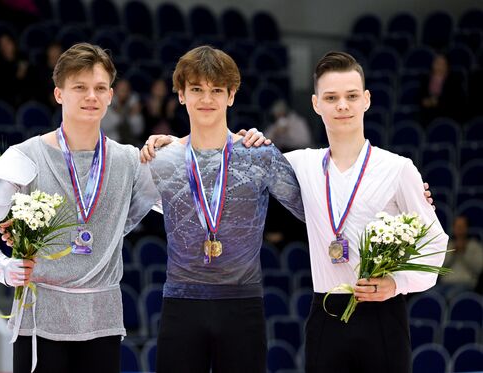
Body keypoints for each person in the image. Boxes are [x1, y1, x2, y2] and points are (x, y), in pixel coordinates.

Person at [143, 51, 447, 373]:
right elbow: (218, 174)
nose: (342, 105)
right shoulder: (298, 163)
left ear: (367, 100)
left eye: (351, 96)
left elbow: (436, 245)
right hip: (325, 313)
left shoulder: (399, 169)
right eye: (332, 97)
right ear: (316, 104)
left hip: (384, 311)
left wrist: (396, 283)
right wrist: (176, 148)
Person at [0, 42, 159, 373]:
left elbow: (183, 203)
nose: (91, 96)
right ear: (59, 94)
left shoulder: (129, 160)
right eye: (79, 87)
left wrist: (176, 151)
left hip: (102, 320)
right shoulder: (24, 156)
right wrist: (2, 267)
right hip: (40, 320)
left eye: (99, 88)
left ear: (111, 96)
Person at [145, 45, 305, 373]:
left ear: (231, 96)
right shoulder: (160, 160)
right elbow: (115, 207)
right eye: (197, 89)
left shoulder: (258, 154)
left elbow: (314, 209)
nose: (207, 98)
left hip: (242, 304)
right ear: (181, 95)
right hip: (181, 303)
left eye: (217, 89)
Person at [440, 215, 483, 298]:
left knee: (451, 295)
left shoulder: (474, 246)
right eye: (457, 226)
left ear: (467, 228)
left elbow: (479, 269)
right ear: (454, 228)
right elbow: (440, 268)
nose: (459, 229)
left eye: (462, 226)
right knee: (430, 295)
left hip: (465, 283)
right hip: (445, 283)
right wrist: (452, 253)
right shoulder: (448, 246)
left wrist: (465, 253)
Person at [101, 78, 145, 146]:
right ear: (115, 91)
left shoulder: (133, 104)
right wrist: (117, 114)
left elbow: (138, 131)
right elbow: (106, 128)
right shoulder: (107, 104)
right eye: (121, 90)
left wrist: (134, 115)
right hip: (111, 142)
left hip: (131, 143)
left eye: (125, 90)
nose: (123, 92)